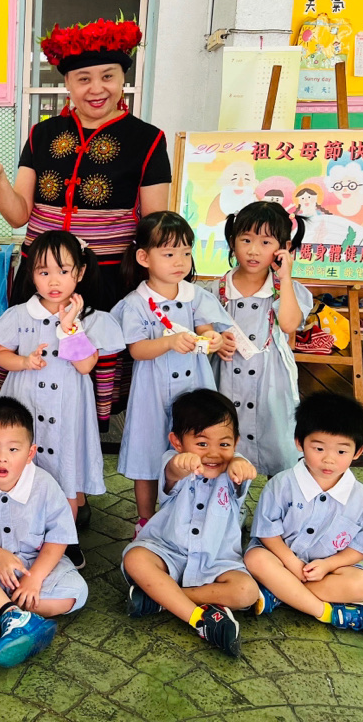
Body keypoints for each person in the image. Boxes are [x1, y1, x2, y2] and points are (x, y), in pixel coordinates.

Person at [0, 17, 171, 430]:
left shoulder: (148, 139)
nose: (96, 88)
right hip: (41, 275)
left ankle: (81, 452)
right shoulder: (42, 135)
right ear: (68, 84)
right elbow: (18, 214)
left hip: (107, 279)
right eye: (84, 79)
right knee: (32, 363)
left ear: (123, 79)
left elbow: (154, 226)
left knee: (90, 372)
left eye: (107, 76)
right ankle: (21, 447)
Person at [0, 230, 124, 569]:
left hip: (68, 410)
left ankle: (65, 541)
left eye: (63, 271)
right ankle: (20, 537)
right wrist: (23, 361)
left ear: (80, 272)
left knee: (66, 476)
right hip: (26, 404)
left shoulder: (90, 317)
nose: (53, 280)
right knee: (22, 470)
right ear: (32, 274)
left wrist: (69, 326)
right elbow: (1, 355)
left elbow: (85, 365)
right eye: (43, 271)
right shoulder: (20, 314)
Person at [112, 212, 232, 535]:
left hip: (195, 388)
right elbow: (137, 349)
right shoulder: (136, 303)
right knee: (148, 453)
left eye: (186, 252)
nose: (180, 261)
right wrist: (167, 342)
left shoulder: (195, 296)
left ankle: (191, 514)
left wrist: (214, 339)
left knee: (196, 449)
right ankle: (145, 521)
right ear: (144, 258)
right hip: (151, 392)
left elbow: (207, 331)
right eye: (168, 254)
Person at [121, 390, 259, 657]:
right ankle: (199, 619)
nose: (214, 454)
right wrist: (181, 462)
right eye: (202, 443)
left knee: (247, 592)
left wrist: (240, 462)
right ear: (177, 441)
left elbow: (242, 471)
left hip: (217, 561)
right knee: (136, 558)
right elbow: (173, 471)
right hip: (168, 552)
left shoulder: (235, 470)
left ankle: (160, 598)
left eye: (224, 444)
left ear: (236, 442)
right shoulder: (174, 464)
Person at [0, 397, 87, 667]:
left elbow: (58, 537)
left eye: (13, 449)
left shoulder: (45, 485)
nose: (2, 457)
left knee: (76, 593)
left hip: (33, 567)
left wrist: (35, 578)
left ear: (30, 452)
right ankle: (15, 616)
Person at [244, 392, 363, 635]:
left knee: (362, 585)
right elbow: (267, 532)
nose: (329, 459)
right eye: (319, 448)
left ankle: (279, 594)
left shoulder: (362, 499)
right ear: (299, 443)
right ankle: (328, 612)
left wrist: (329, 564)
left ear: (357, 452)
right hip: (279, 559)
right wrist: (291, 563)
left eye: (341, 452)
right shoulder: (281, 484)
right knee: (255, 559)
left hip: (326, 570)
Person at [208, 201, 312, 475]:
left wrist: (285, 278)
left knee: (277, 444)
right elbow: (201, 330)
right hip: (225, 379)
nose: (253, 250)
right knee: (224, 445)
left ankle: (278, 499)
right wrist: (215, 340)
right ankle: (227, 498)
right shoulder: (214, 290)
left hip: (271, 381)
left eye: (266, 242)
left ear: (283, 248)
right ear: (233, 242)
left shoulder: (289, 290)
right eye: (246, 240)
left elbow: (289, 324)